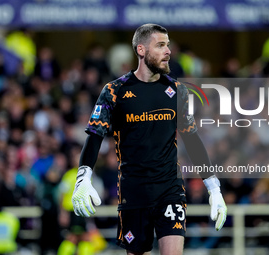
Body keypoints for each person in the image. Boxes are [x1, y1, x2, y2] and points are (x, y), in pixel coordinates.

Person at [72, 23, 227, 255]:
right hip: (134, 192)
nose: (168, 51)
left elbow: (192, 140)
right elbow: (95, 135)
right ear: (141, 50)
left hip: (170, 189)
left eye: (168, 45)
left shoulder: (178, 90)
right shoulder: (115, 91)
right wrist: (83, 177)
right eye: (161, 45)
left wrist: (213, 187)